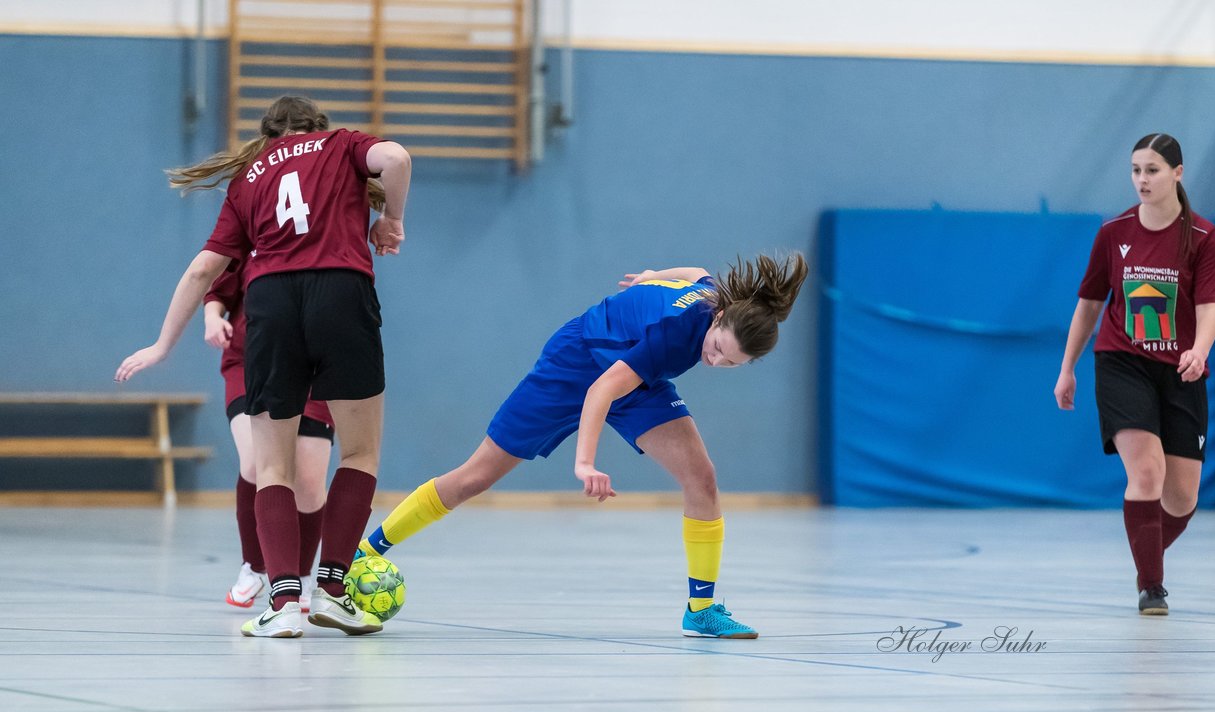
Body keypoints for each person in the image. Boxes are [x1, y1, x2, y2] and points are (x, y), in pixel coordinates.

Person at [355, 253, 808, 638]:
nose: (714, 361)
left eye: (730, 363)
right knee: (476, 476)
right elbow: (600, 391)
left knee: (702, 477)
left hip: (637, 375)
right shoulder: (676, 334)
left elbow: (695, 272)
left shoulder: (713, 299)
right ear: (718, 317)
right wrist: (585, 463)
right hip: (577, 364)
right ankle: (368, 551)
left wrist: (652, 279)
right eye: (714, 349)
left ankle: (702, 610)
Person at [115, 94, 413, 638]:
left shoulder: (249, 177)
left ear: (267, 134)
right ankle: (332, 589)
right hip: (341, 292)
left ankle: (280, 604)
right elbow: (395, 158)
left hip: (270, 304)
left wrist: (162, 345)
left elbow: (205, 268)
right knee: (361, 452)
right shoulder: (342, 144)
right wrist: (390, 221)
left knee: (271, 466)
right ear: (315, 127)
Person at [1054, 133, 1215, 616]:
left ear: (1177, 173)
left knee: (1183, 495)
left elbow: (1209, 308)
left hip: (1181, 372)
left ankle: (1147, 554)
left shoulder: (1204, 237)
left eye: (1152, 169)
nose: (1142, 179)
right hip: (1121, 363)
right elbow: (1088, 306)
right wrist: (1067, 369)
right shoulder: (1114, 233)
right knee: (1146, 472)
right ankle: (1152, 586)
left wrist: (1198, 349)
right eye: (1135, 170)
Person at [204, 262, 334, 612]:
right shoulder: (254, 228)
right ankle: (254, 566)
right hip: (253, 360)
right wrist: (213, 316)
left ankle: (303, 575)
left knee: (308, 480)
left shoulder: (327, 236)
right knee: (256, 460)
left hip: (313, 365)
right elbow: (216, 288)